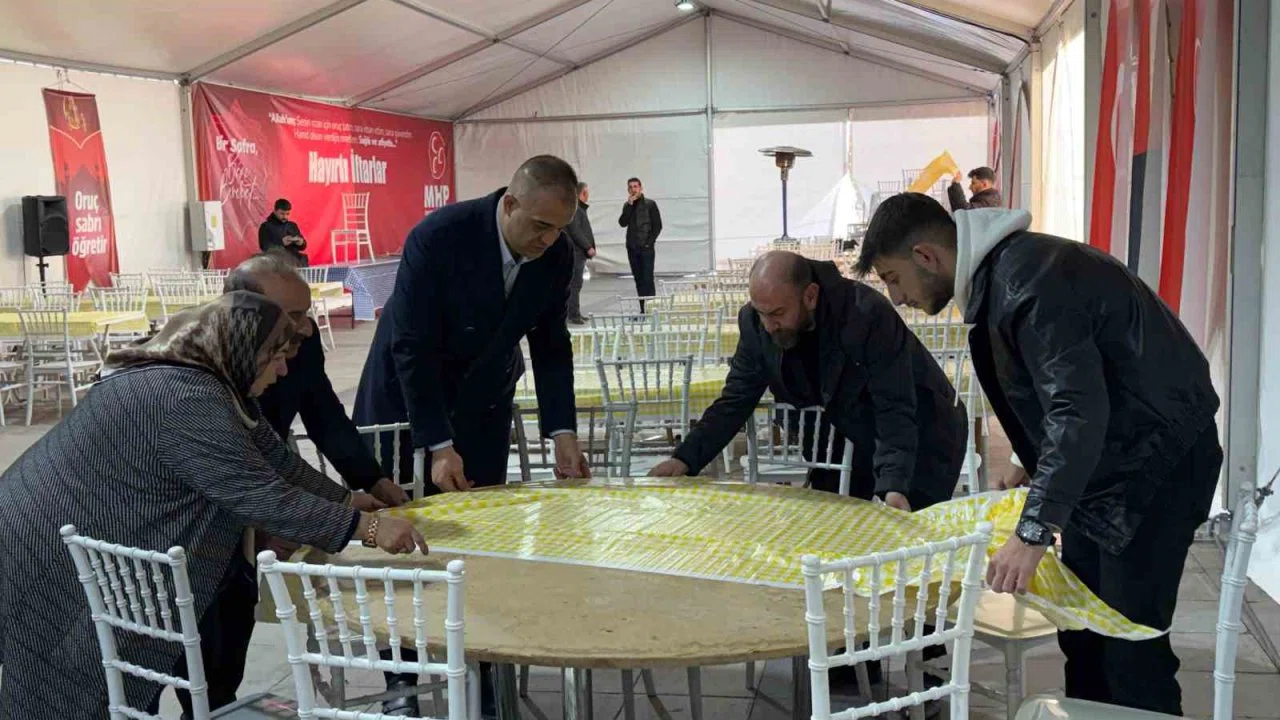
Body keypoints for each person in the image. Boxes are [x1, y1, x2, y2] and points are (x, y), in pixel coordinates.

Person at [855, 193, 1221, 715]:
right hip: (1111, 464)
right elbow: (1070, 385)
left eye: (893, 279)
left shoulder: (1027, 281)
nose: (896, 298)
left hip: (1153, 468)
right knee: (1082, 632)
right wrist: (1028, 460)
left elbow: (1076, 409)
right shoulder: (1010, 272)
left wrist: (1033, 530)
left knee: (1130, 645)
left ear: (926, 256)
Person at [0, 292, 425, 718]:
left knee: (101, 670)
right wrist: (367, 528)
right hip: (43, 538)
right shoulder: (185, 399)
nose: (283, 370)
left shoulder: (215, 385)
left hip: (72, 527)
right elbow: (258, 493)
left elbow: (277, 461)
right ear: (241, 350)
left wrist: (346, 499)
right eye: (275, 356)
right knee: (70, 669)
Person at [354, 155, 591, 716]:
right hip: (406, 402)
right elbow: (411, 347)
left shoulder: (555, 253)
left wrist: (562, 431)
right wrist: (438, 444)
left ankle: (480, 668)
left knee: (481, 540)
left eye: (559, 228)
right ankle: (402, 679)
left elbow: (551, 345)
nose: (548, 240)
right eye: (539, 226)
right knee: (404, 540)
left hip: (484, 403)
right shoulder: (440, 236)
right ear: (509, 204)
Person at [161, 253, 415, 717]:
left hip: (255, 486)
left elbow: (316, 417)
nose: (304, 330)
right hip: (193, 513)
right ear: (244, 313)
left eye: (307, 314)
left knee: (234, 609)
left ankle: (216, 703)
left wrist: (366, 483)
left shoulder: (297, 342)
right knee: (199, 623)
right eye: (293, 317)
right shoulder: (196, 370)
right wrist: (363, 526)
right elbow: (243, 480)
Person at [650, 251, 967, 512]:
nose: (769, 325)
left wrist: (894, 483)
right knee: (837, 531)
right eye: (761, 313)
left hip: (923, 433)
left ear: (810, 296)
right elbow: (735, 399)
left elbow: (894, 405)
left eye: (777, 313)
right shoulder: (756, 323)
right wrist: (685, 458)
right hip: (842, 435)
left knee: (905, 538)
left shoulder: (865, 314)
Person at [618, 177, 662, 309]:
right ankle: (643, 309)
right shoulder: (627, 205)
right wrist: (629, 206)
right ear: (628, 190)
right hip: (632, 248)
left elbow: (657, 226)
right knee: (638, 279)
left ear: (641, 188)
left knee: (648, 278)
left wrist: (649, 242)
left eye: (635, 186)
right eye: (630, 187)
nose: (633, 189)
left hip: (646, 248)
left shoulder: (650, 204)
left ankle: (652, 309)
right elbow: (622, 223)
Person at [564, 182, 597, 324]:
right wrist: (588, 246)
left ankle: (574, 312)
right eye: (587, 192)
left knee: (576, 284)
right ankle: (573, 315)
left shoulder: (577, 208)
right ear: (583, 193)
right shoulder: (576, 209)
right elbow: (575, 230)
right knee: (574, 285)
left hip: (577, 252)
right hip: (576, 253)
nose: (588, 195)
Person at [259, 198, 309, 266]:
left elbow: (303, 247)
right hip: (276, 265)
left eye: (287, 214)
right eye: (282, 213)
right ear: (275, 211)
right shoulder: (265, 227)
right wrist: (281, 242)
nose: (285, 216)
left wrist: (301, 243)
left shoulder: (292, 225)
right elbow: (264, 247)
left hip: (296, 263)